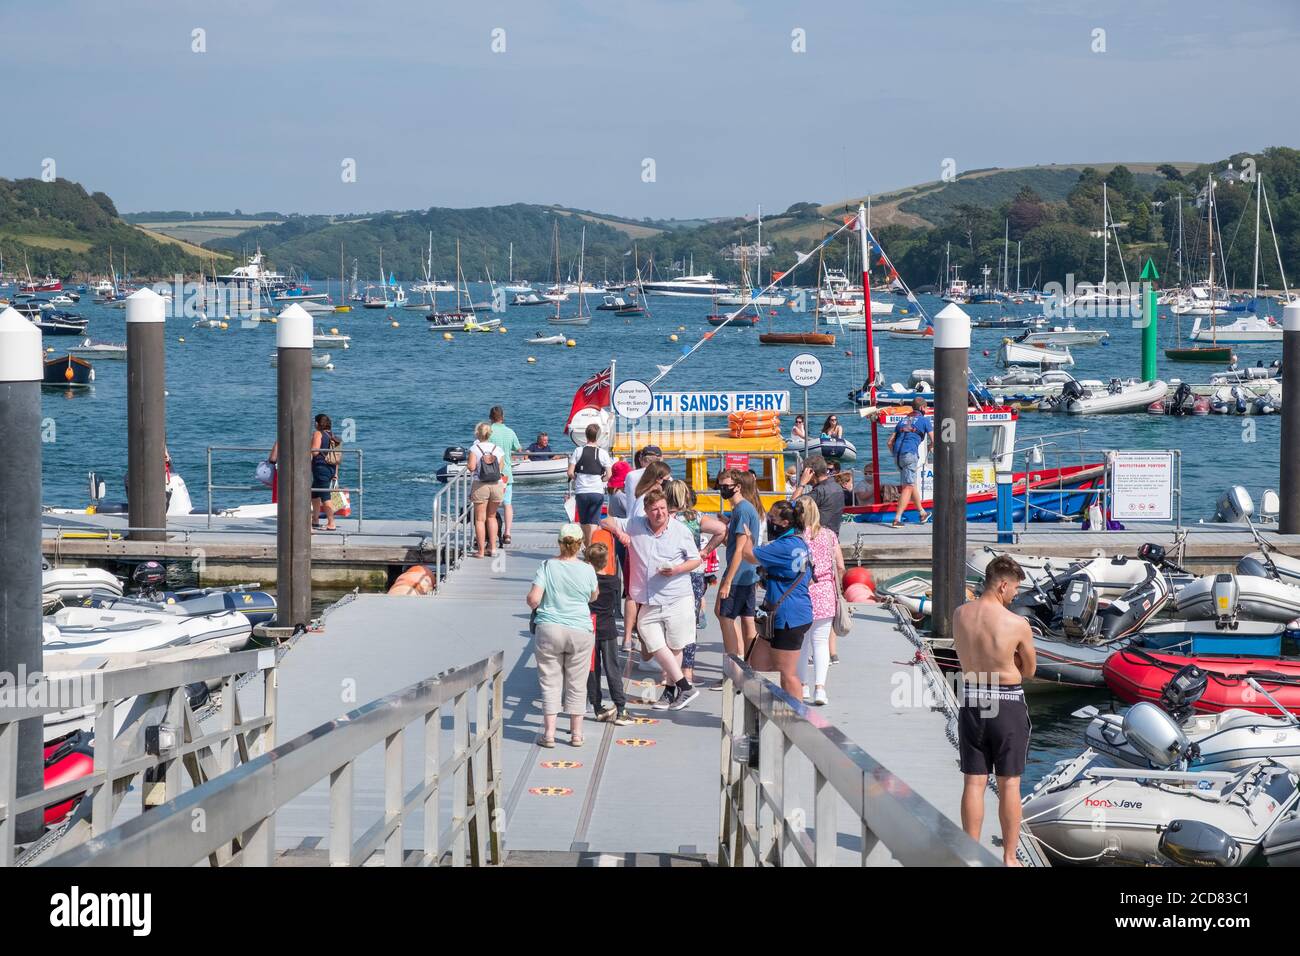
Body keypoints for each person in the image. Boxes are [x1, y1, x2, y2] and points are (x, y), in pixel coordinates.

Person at [953, 554, 1033, 866]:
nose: (1015, 595)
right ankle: (1010, 858)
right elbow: (1029, 670)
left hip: (973, 700)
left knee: (974, 781)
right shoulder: (1017, 624)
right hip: (1007, 703)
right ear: (1002, 585)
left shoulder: (960, 614)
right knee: (1009, 782)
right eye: (1014, 589)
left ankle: (970, 855)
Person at [602, 488, 701, 711]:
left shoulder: (680, 531)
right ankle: (685, 687)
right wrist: (620, 534)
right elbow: (605, 520)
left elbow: (695, 561)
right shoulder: (635, 524)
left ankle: (670, 692)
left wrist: (676, 570)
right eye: (654, 509)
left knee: (675, 646)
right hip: (648, 598)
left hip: (676, 597)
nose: (660, 513)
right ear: (646, 511)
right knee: (649, 634)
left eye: (663, 509)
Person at [526, 524, 600, 747]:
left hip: (550, 628)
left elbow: (534, 599)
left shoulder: (547, 566)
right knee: (577, 683)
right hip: (580, 630)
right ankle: (576, 734)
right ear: (580, 546)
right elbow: (594, 596)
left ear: (559, 543)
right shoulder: (588, 569)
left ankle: (548, 735)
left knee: (550, 682)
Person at [733, 499, 813, 698]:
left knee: (786, 673)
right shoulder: (800, 542)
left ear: (785, 523)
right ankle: (764, 712)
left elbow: (748, 555)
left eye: (772, 518)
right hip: (778, 613)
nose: (769, 521)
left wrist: (748, 537)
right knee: (758, 664)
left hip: (788, 617)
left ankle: (798, 720)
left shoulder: (783, 546)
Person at [664, 480, 726, 683]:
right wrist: (705, 551)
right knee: (689, 622)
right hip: (694, 572)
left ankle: (669, 670)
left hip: (669, 573)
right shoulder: (696, 517)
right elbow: (721, 529)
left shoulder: (663, 517)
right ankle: (688, 669)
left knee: (666, 620)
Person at [710, 469, 764, 678]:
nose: (723, 490)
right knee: (747, 618)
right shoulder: (746, 509)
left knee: (724, 616)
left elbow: (741, 550)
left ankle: (733, 666)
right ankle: (747, 662)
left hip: (739, 573)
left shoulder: (742, 510)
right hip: (749, 573)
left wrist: (727, 581)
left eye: (726, 486)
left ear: (738, 487)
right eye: (721, 486)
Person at [795, 497, 843, 705]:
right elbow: (840, 566)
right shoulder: (829, 535)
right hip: (825, 591)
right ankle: (820, 689)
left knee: (802, 643)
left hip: (801, 591)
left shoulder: (797, 537)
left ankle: (803, 686)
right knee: (821, 643)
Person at [584, 533, 631, 725]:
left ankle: (597, 706)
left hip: (589, 628)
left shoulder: (586, 581)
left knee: (592, 669)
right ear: (607, 560)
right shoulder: (614, 581)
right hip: (609, 629)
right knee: (613, 669)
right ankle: (621, 709)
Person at [887, 397, 933, 527]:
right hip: (909, 455)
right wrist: (930, 447)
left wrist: (896, 454)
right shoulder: (925, 420)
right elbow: (934, 439)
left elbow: (889, 442)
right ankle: (897, 519)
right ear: (923, 408)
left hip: (897, 456)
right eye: (927, 408)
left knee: (911, 484)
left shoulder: (902, 420)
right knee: (907, 487)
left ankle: (922, 512)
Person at [467, 422, 507, 558]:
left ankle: (481, 551)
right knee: (492, 517)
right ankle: (493, 548)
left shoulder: (474, 449)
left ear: (477, 433)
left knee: (479, 519)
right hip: (497, 485)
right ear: (490, 434)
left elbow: (472, 467)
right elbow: (501, 469)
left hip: (480, 485)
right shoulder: (498, 449)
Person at [568, 423, 613, 543]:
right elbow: (609, 475)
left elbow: (570, 472)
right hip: (596, 492)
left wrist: (577, 478)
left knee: (583, 521)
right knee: (594, 522)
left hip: (582, 491)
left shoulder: (578, 451)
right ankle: (591, 547)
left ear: (585, 435)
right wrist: (602, 480)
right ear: (598, 436)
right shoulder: (603, 453)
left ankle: (587, 545)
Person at [488, 406, 522, 545]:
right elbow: (518, 448)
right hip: (506, 473)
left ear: (490, 417)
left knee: (491, 506)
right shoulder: (510, 432)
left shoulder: (488, 432)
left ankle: (491, 535)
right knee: (507, 504)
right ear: (503, 417)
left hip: (490, 473)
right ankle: (507, 533)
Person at [797, 455, 844, 536]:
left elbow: (793, 505)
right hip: (833, 536)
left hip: (818, 538)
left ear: (811, 472)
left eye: (803, 472)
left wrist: (802, 484)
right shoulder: (837, 487)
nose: (802, 474)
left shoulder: (819, 491)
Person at [310, 413, 339, 531]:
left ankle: (331, 523)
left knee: (325, 497)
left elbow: (315, 451)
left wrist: (308, 447)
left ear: (317, 423)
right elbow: (336, 456)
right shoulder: (332, 435)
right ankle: (315, 520)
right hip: (330, 468)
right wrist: (336, 473)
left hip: (320, 468)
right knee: (314, 495)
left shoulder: (318, 433)